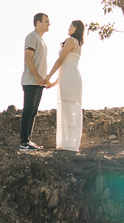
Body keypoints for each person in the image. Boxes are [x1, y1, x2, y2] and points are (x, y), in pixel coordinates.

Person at [47, 20, 84, 152]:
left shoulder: (71, 41)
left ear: (75, 28)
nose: (68, 28)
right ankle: (70, 143)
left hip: (69, 77)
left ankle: (68, 144)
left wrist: (48, 76)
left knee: (68, 108)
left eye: (70, 26)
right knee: (70, 109)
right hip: (72, 76)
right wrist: (55, 82)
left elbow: (61, 60)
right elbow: (67, 65)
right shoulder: (79, 43)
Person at [19, 13, 51, 152]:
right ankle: (24, 142)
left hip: (39, 83)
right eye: (46, 21)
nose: (49, 24)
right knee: (28, 110)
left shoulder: (41, 40)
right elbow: (28, 58)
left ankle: (28, 141)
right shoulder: (32, 37)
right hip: (31, 81)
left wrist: (44, 80)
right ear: (38, 23)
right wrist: (37, 77)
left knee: (33, 112)